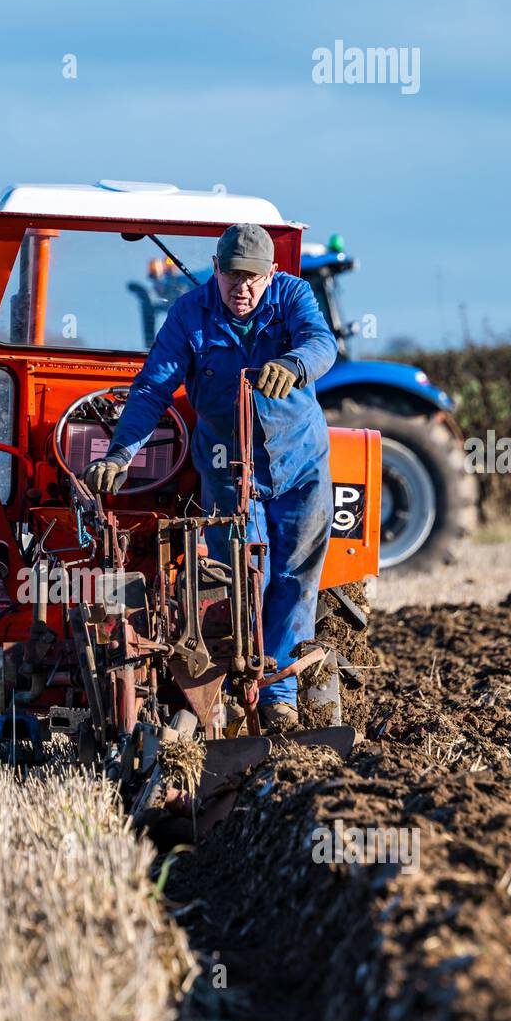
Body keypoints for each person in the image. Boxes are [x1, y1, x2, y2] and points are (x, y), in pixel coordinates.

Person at [80, 223, 338, 730]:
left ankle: (279, 694)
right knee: (242, 581)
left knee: (295, 578)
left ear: (272, 274)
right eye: (233, 275)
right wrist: (120, 454)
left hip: (300, 465)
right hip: (226, 469)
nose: (242, 288)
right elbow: (153, 388)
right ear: (216, 270)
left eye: (254, 278)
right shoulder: (189, 315)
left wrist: (294, 364)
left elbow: (320, 342)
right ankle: (227, 689)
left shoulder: (293, 297)